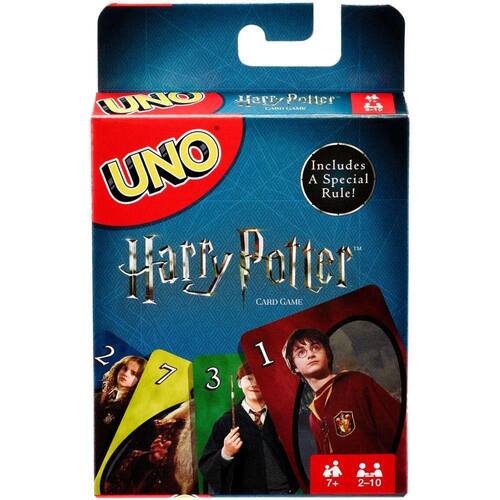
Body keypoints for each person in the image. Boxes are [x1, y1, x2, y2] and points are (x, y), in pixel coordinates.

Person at [282, 329, 400, 455]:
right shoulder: (313, 418)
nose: (310, 354)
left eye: (315, 348)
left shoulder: (356, 383)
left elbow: (397, 428)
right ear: (294, 366)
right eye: (301, 352)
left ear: (327, 355)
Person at [199, 362, 298, 494]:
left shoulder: (283, 418)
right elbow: (207, 467)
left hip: (284, 493)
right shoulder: (225, 423)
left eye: (260, 378)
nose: (254, 384)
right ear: (239, 382)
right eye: (249, 378)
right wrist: (226, 453)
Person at [95, 355, 147, 473]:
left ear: (141, 379)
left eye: (133, 373)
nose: (126, 374)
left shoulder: (133, 408)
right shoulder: (98, 395)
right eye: (125, 368)